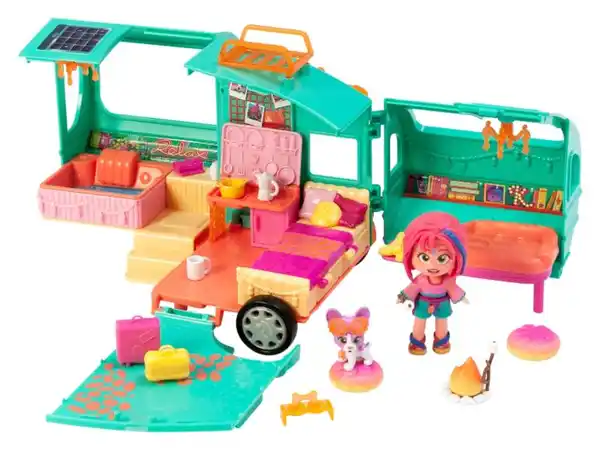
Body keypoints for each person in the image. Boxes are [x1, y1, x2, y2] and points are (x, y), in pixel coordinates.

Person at [397, 212, 468, 355]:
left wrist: (462, 297)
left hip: (442, 302)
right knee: (419, 321)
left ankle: (441, 341)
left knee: (442, 322)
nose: (432, 265)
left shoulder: (447, 281)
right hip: (423, 302)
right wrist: (404, 297)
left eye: (442, 258)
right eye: (424, 257)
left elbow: (454, 289)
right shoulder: (421, 280)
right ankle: (417, 341)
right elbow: (412, 289)